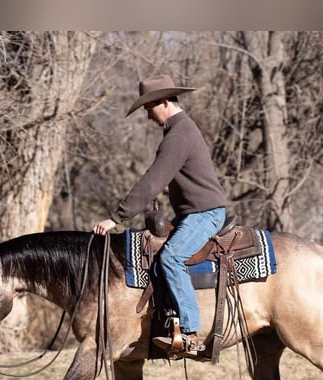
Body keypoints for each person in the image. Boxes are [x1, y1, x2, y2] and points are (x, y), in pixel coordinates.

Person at [93, 74, 227, 357]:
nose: (147, 114)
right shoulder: (179, 132)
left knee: (171, 258)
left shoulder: (179, 135)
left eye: (148, 107)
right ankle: (167, 322)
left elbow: (152, 181)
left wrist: (116, 217)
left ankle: (189, 333)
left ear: (164, 102)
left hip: (205, 214)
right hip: (195, 213)